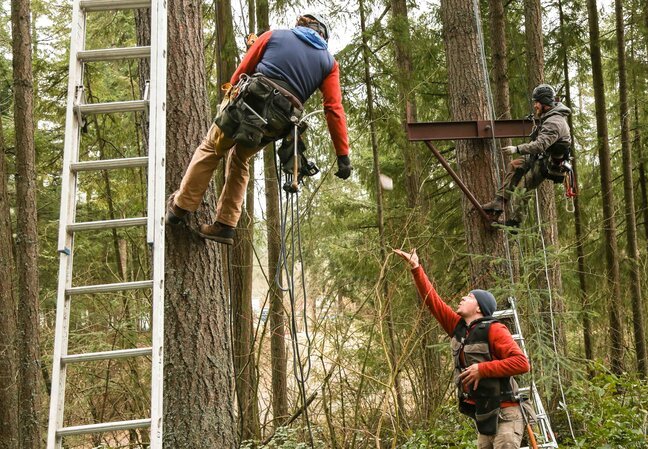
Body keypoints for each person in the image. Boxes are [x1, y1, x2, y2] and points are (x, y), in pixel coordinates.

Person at [167, 14, 350, 244]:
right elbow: (333, 109)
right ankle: (225, 224)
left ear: (303, 25)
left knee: (212, 148)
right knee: (240, 158)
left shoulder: (274, 35)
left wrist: (229, 96)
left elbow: (244, 69)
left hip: (247, 103)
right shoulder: (328, 63)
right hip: (276, 122)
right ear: (323, 35)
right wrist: (343, 155)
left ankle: (180, 207)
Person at [393, 248, 530, 449]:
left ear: (479, 308)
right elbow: (433, 301)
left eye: (469, 296)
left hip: (506, 412)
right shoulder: (457, 328)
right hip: (485, 416)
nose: (463, 298)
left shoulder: (495, 330)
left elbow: (522, 363)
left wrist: (481, 369)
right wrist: (416, 268)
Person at [481, 84, 572, 226]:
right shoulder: (548, 116)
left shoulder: (554, 122)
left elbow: (540, 145)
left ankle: (515, 222)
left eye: (537, 102)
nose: (535, 105)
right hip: (541, 156)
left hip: (549, 164)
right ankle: (499, 202)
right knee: (514, 165)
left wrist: (517, 148)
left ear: (545, 103)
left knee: (524, 187)